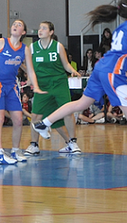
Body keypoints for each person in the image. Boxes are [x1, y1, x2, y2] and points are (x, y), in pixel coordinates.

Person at [33, 0, 127, 175]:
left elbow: (122, 54)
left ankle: (44, 123)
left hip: (102, 69)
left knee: (81, 104)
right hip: (113, 73)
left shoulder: (122, 28)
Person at [0, 19, 45, 165]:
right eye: (14, 24)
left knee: (18, 119)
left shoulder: (25, 49)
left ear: (23, 32)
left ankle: (15, 151)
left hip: (12, 86)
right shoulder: (1, 42)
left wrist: (34, 85)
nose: (15, 26)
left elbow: (30, 70)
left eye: (19, 25)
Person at [25, 21, 81, 157]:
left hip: (58, 84)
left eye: (44, 28)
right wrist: (29, 79)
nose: (40, 30)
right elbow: (30, 68)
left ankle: (73, 143)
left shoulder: (58, 47)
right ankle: (34, 145)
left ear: (51, 32)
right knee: (35, 116)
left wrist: (73, 71)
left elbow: (66, 64)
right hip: (42, 86)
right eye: (39, 28)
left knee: (67, 113)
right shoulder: (32, 47)